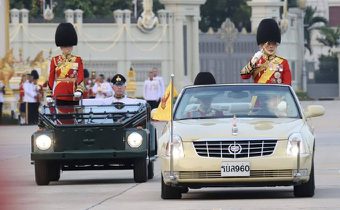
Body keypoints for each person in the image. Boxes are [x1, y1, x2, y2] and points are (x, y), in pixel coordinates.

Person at [240, 18, 292, 85]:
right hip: (259, 95)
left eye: (274, 44)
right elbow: (244, 76)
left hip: (276, 95)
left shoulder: (283, 63)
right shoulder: (255, 61)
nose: (271, 46)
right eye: (268, 44)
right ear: (262, 45)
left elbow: (287, 85)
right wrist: (254, 59)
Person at [48, 22, 84, 106]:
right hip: (60, 93)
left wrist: (79, 90)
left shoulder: (77, 60)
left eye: (69, 46)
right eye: (65, 46)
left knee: (74, 117)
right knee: (60, 117)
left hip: (74, 93)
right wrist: (49, 94)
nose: (67, 48)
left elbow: (80, 76)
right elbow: (51, 78)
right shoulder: (55, 60)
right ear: (60, 47)